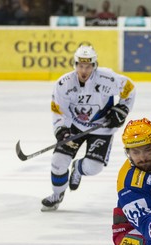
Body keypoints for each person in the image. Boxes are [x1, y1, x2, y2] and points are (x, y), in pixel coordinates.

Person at [42, 44, 136, 211]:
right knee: (58, 162)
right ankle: (57, 195)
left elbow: (130, 88)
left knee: (93, 168)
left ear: (94, 65)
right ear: (75, 64)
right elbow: (58, 109)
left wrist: (122, 109)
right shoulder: (64, 83)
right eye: (80, 65)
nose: (84, 70)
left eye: (88, 66)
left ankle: (78, 168)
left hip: (102, 127)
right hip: (74, 126)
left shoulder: (107, 78)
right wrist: (61, 130)